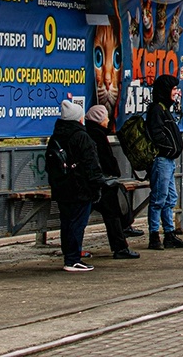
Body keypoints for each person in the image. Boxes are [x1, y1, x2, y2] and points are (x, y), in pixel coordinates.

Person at [47, 99, 107, 272]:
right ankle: (73, 259)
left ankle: (70, 256)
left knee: (67, 222)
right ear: (78, 118)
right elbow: (91, 164)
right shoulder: (81, 137)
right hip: (80, 188)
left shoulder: (56, 136)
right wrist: (97, 186)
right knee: (77, 223)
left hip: (61, 187)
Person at [84, 105, 140, 259]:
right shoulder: (97, 136)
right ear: (98, 120)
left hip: (90, 182)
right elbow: (106, 160)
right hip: (94, 183)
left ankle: (124, 231)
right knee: (113, 206)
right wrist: (114, 171)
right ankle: (122, 239)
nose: (108, 121)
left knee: (115, 198)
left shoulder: (91, 132)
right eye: (105, 118)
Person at [146, 74, 183, 250]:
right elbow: (157, 135)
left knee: (170, 197)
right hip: (162, 160)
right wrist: (169, 148)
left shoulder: (164, 109)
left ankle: (169, 233)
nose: (176, 92)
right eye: (173, 89)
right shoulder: (157, 110)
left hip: (168, 160)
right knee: (159, 198)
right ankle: (154, 235)